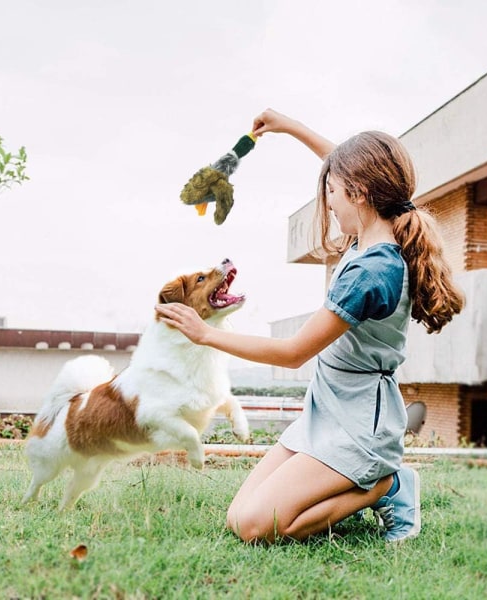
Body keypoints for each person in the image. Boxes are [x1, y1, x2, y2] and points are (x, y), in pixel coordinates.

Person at [156, 108, 465, 544]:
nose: (330, 200)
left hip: (360, 424)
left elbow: (294, 352)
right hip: (325, 411)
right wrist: (288, 127)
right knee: (238, 515)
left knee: (254, 527)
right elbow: (341, 162)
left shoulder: (373, 271)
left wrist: (205, 333)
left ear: (358, 194)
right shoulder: (373, 230)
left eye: (333, 191)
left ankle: (386, 485)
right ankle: (363, 484)